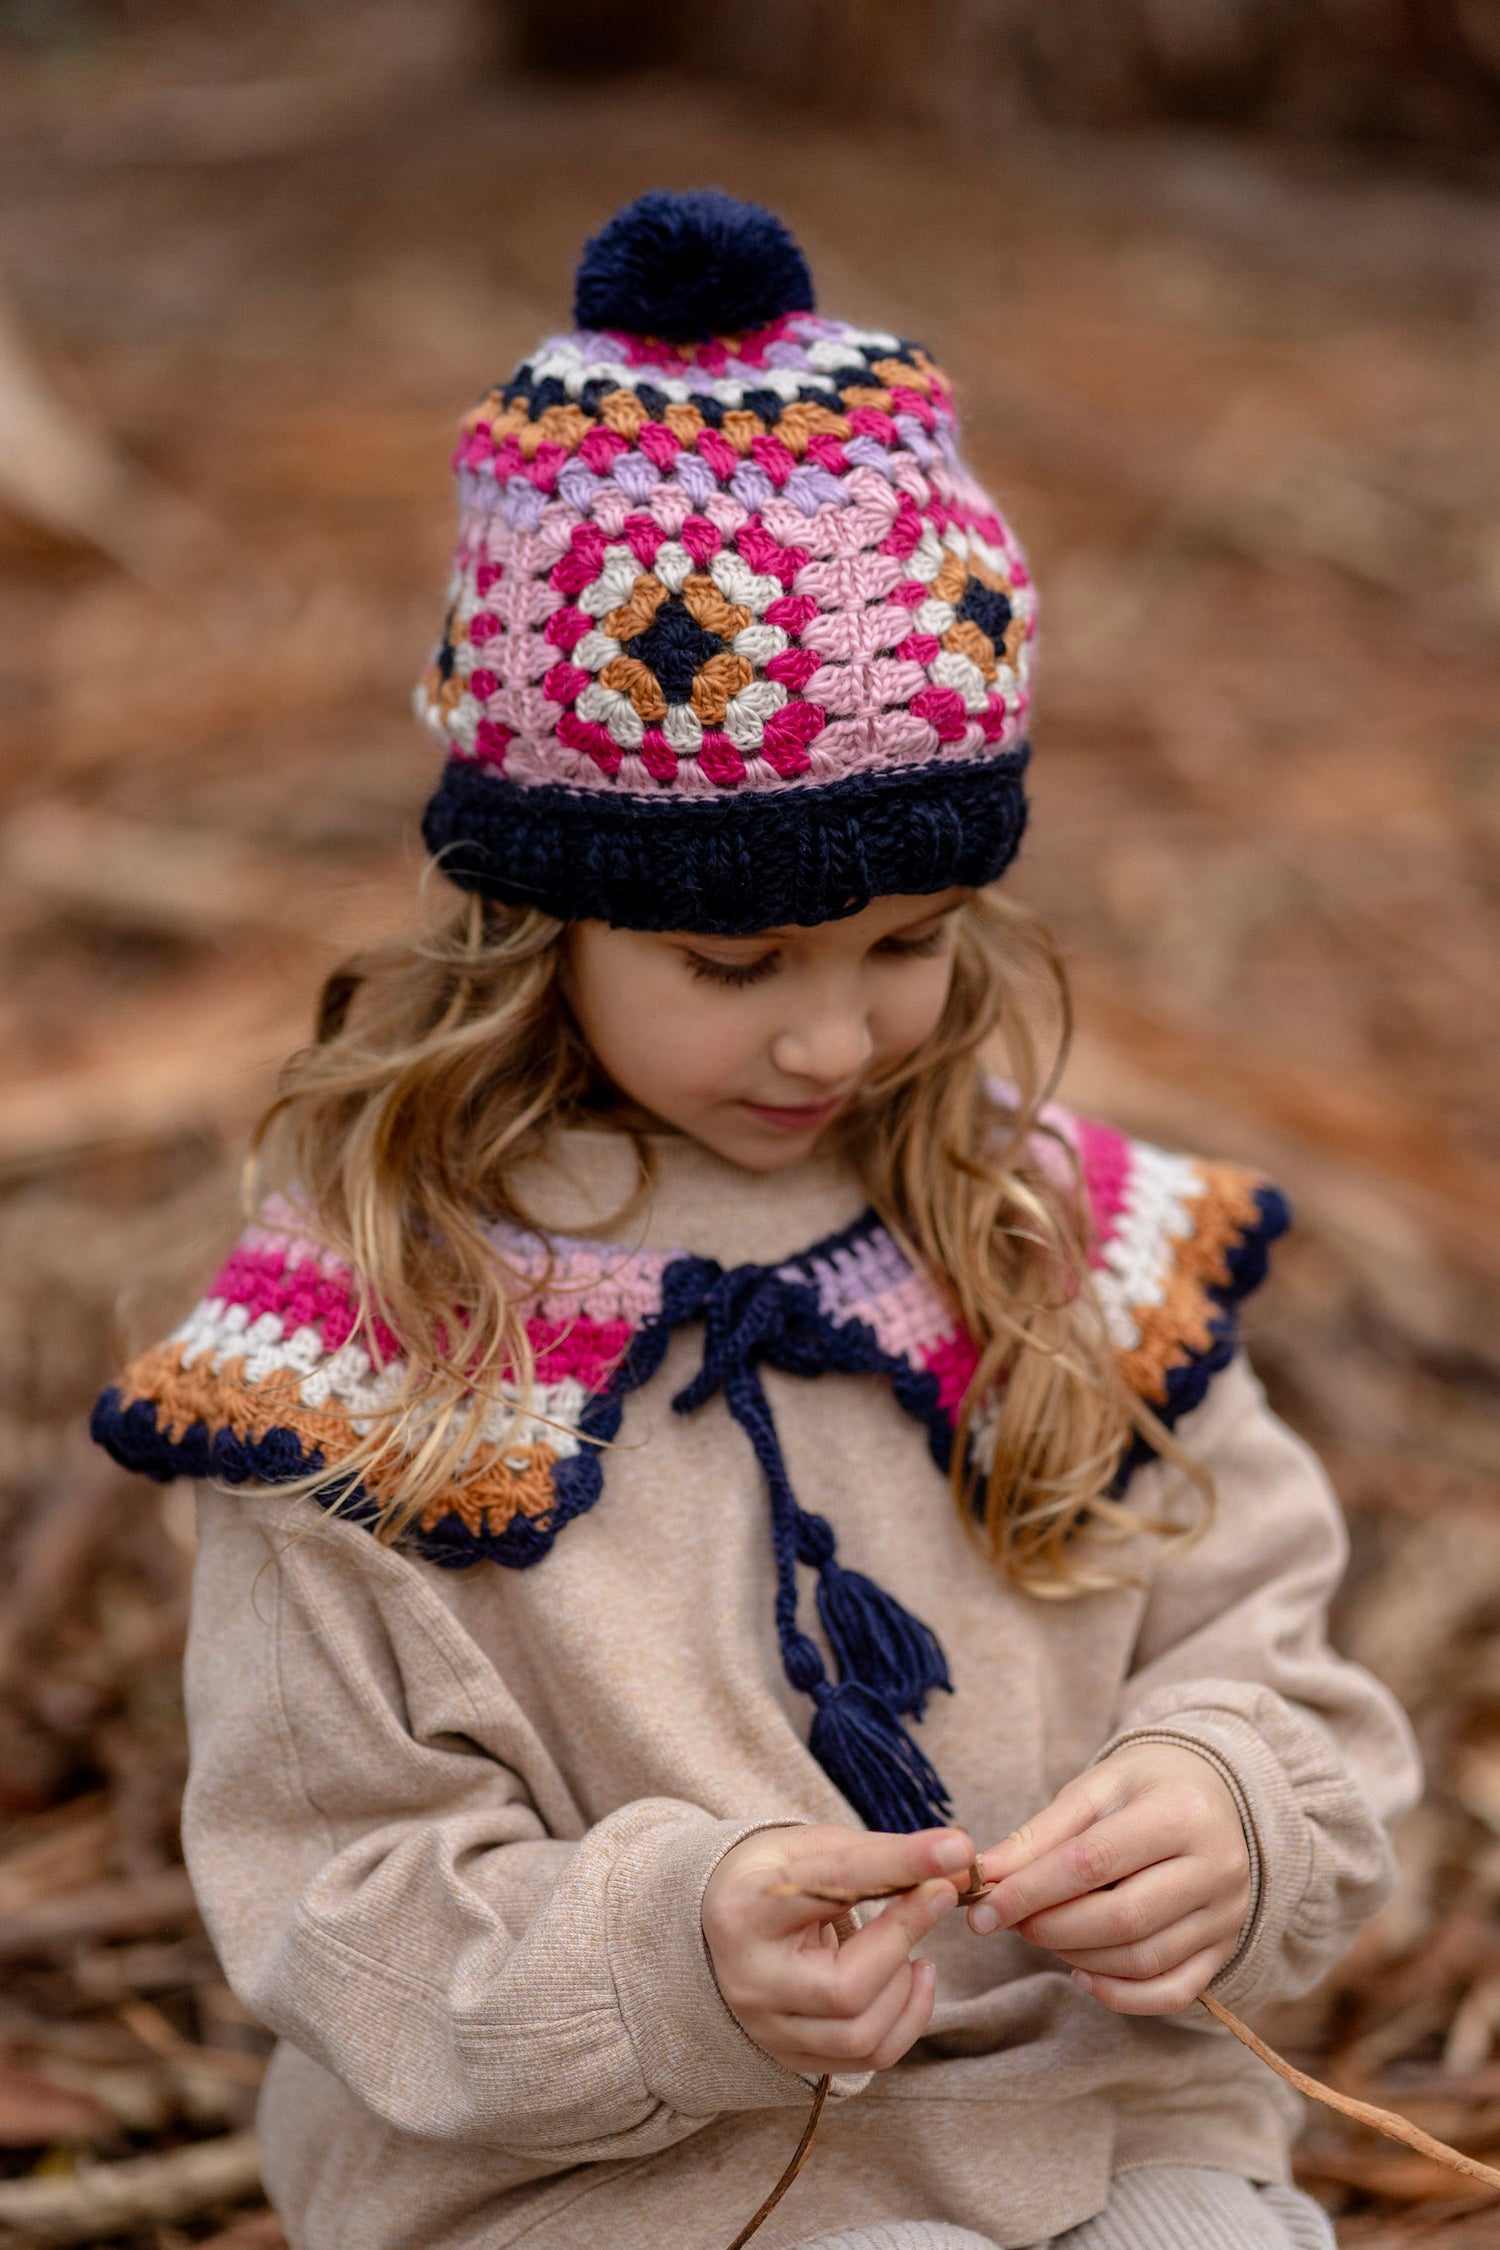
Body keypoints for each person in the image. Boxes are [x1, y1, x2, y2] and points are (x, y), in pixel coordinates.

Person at [93, 191, 1420, 2250]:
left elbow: (1276, 1651)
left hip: (1087, 2124)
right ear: (539, 921)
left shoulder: (1048, 1234)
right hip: (608, 2183)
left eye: (908, 944)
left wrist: (1237, 1810)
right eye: (737, 961)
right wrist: (673, 1955)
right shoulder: (371, 1350)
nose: (833, 1037)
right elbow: (335, 1894)